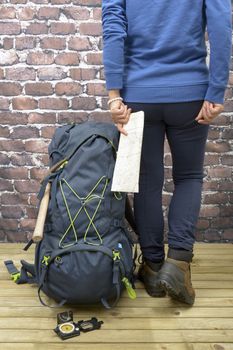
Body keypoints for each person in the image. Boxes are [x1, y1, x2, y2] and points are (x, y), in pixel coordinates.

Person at [101, 0, 232, 305]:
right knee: (188, 177)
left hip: (138, 94)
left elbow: (113, 27)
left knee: (147, 180)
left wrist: (114, 96)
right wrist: (215, 92)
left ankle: (153, 265)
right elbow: (221, 26)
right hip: (189, 91)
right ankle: (178, 263)